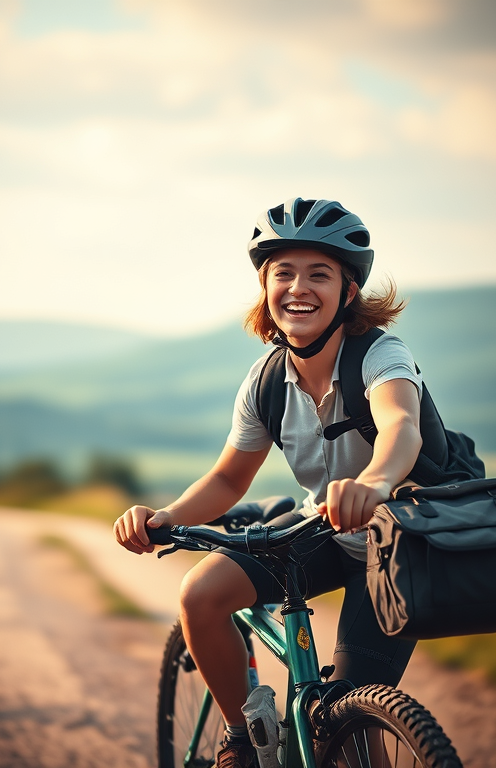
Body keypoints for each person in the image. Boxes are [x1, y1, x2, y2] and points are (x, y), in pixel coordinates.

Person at [114, 197, 424, 768]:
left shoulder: (380, 356)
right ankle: (245, 738)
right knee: (201, 595)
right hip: (325, 530)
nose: (298, 287)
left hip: (397, 547)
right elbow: (230, 476)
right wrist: (166, 519)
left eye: (319, 274)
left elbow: (401, 425)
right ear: (265, 285)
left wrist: (375, 482)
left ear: (348, 292)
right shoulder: (268, 380)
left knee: (353, 729)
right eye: (283, 272)